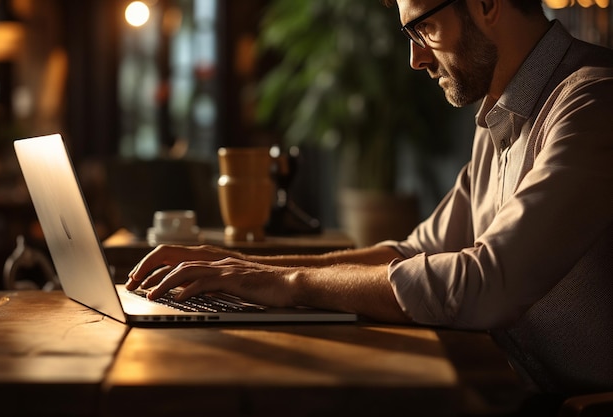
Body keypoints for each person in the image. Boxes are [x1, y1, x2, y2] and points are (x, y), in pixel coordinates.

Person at [126, 0, 613, 399]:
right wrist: (247, 269)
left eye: (423, 29)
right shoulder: (501, 117)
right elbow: (411, 253)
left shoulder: (593, 102)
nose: (416, 59)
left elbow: (485, 284)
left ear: (487, 5)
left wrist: (291, 284)